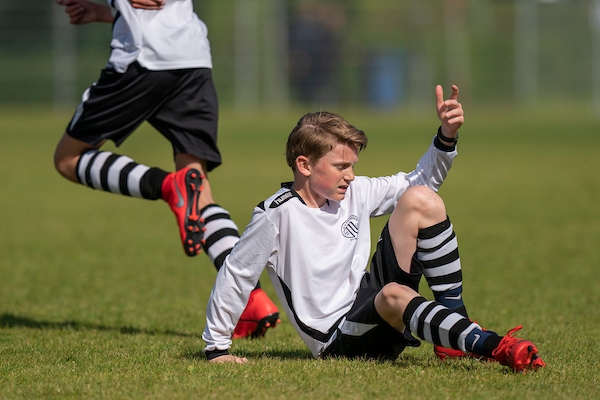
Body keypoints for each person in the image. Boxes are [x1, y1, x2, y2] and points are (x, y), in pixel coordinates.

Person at [202, 85, 547, 373]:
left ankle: (454, 330)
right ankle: (493, 345)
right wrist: (217, 348)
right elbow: (236, 274)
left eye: (353, 166)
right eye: (340, 166)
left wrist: (447, 135)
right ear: (304, 165)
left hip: (369, 299)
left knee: (422, 200)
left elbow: (422, 181)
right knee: (394, 294)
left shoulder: (354, 192)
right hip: (338, 339)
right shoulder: (275, 215)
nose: (350, 176)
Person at [54, 0, 280, 339]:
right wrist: (108, 12)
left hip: (144, 60)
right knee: (198, 192)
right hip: (192, 58)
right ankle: (251, 299)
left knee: (68, 159)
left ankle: (165, 185)